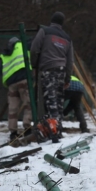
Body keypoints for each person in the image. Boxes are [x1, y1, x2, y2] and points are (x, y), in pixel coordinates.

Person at [31, 11, 74, 143]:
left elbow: (34, 48)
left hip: (48, 69)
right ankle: (58, 129)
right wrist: (67, 79)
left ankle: (53, 132)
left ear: (51, 20)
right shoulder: (67, 38)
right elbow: (70, 61)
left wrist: (34, 65)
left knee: (50, 101)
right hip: (61, 71)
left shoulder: (44, 31)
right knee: (59, 101)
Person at [0, 37, 32, 140]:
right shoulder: (23, 45)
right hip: (23, 79)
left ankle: (13, 132)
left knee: (13, 108)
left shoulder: (3, 55)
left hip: (11, 83)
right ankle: (27, 128)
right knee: (28, 104)